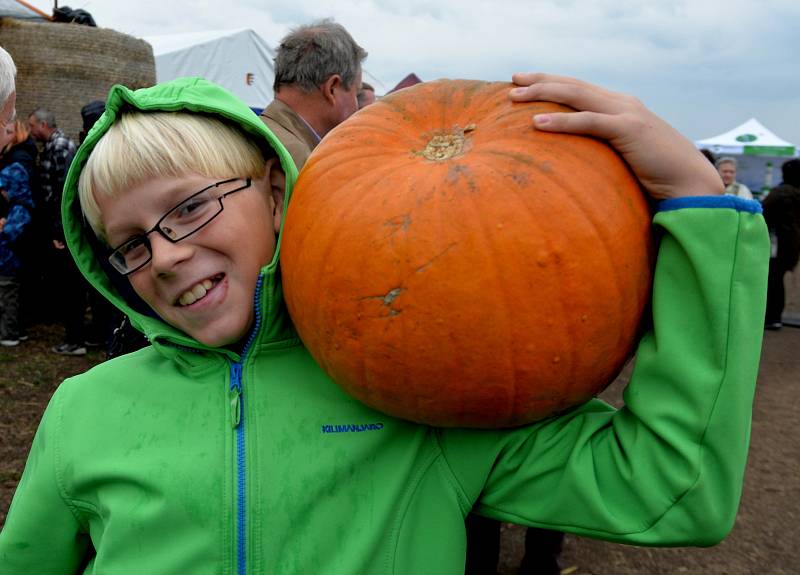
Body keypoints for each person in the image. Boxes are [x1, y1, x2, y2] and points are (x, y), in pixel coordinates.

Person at [0, 73, 768, 573]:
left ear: (275, 190)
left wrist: (698, 200)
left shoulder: (414, 388)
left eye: (192, 206)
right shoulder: (84, 412)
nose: (164, 256)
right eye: (129, 244)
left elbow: (676, 484)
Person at [260, 18, 366, 170]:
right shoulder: (300, 162)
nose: (358, 107)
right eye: (357, 93)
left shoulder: (253, 133)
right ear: (332, 89)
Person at [27, 108, 86, 355]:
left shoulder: (60, 146)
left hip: (63, 229)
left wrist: (60, 230)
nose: (30, 131)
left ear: (43, 124)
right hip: (60, 227)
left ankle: (76, 340)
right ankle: (75, 337)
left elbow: (64, 193)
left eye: (32, 126)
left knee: (70, 286)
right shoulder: (54, 145)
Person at [0, 121, 33, 346]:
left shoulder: (17, 166)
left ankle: (10, 333)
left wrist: (6, 231)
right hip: (13, 246)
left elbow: (20, 212)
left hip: (10, 251)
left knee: (8, 291)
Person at [762, 159, 800, 329]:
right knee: (778, 279)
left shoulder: (779, 193)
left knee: (773, 280)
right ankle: (775, 316)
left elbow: (763, 215)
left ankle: (772, 317)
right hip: (793, 246)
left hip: (776, 245)